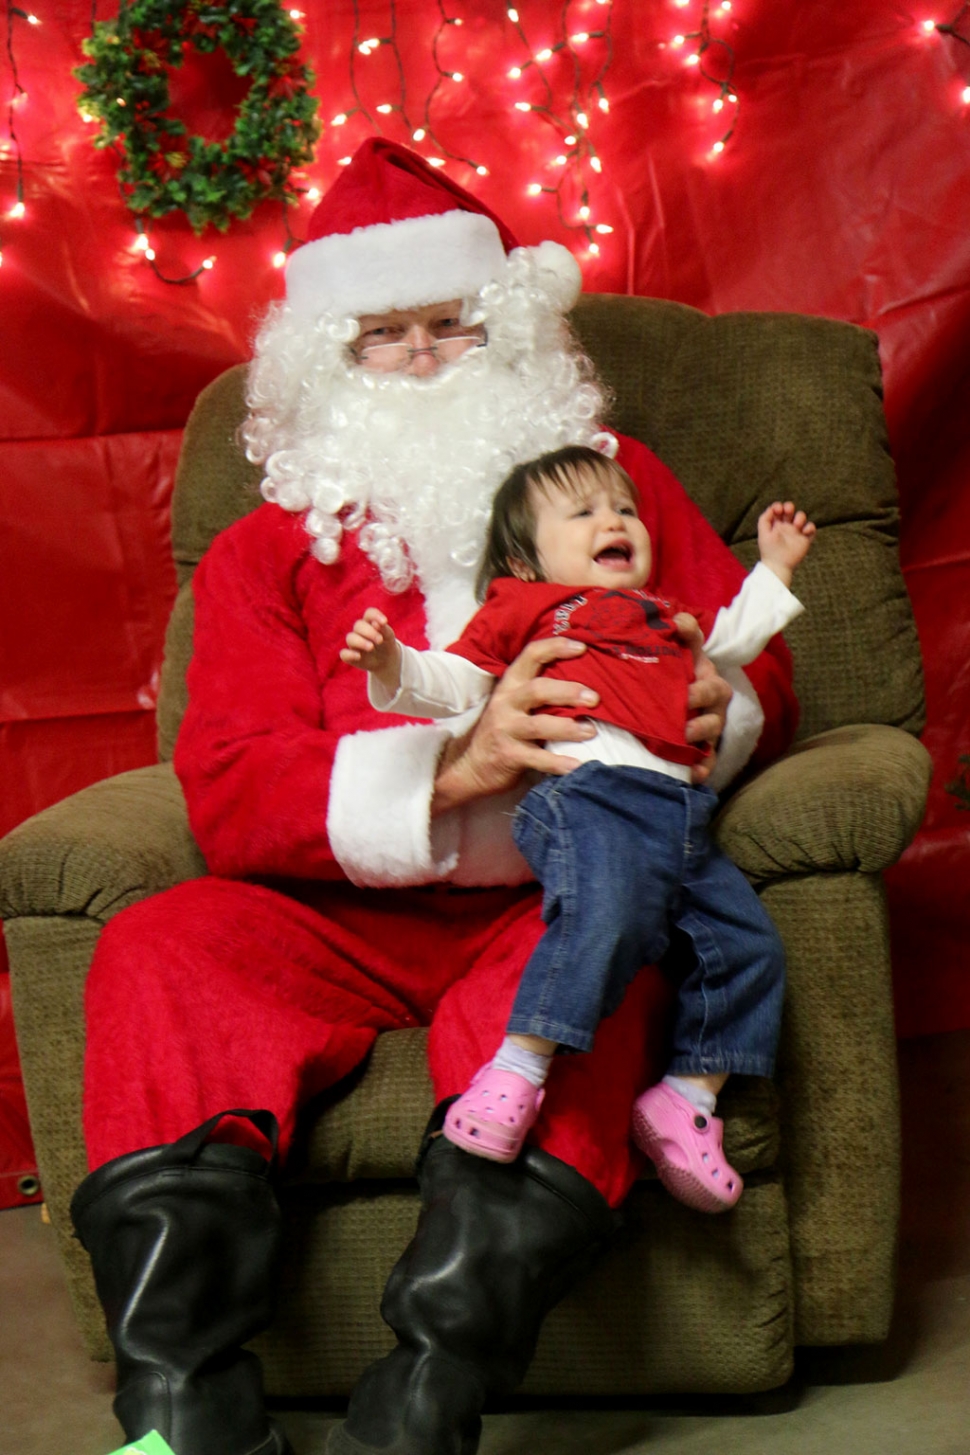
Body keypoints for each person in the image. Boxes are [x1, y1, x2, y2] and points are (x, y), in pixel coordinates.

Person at [67, 139, 799, 1455]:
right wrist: (451, 769)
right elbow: (228, 780)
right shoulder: (262, 550)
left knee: (611, 954)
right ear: (324, 363)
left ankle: (421, 1401)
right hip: (332, 912)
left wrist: (710, 711)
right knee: (157, 949)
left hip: (550, 889)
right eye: (380, 336)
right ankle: (183, 1408)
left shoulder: (609, 482)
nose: (415, 360)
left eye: (448, 328)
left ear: (508, 333)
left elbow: (756, 672)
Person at [342, 444, 814, 1210]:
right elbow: (455, 680)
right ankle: (515, 1072)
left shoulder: (663, 616)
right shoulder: (533, 607)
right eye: (585, 511)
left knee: (750, 948)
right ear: (526, 563)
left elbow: (733, 642)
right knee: (607, 915)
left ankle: (687, 1096)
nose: (615, 520)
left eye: (624, 508)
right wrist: (392, 662)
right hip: (590, 797)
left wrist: (776, 568)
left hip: (683, 814)